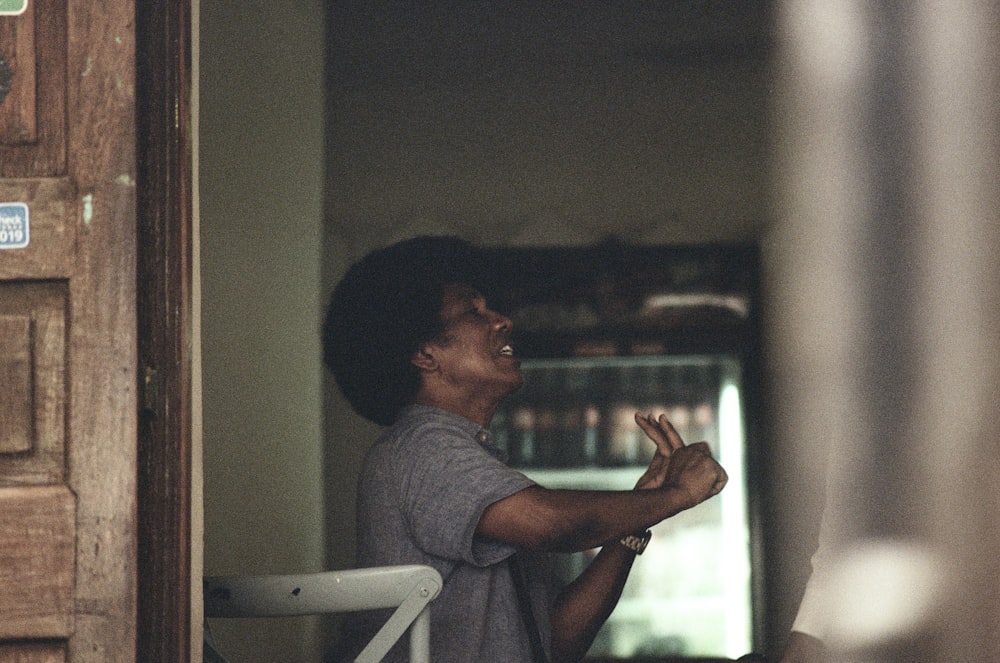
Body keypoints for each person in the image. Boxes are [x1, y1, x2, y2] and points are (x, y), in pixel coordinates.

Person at [322, 235, 729, 663]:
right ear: (425, 353)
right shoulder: (423, 446)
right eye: (474, 312)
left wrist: (640, 511)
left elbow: (556, 641)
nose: (502, 321)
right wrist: (678, 496)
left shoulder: (470, 455)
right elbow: (550, 522)